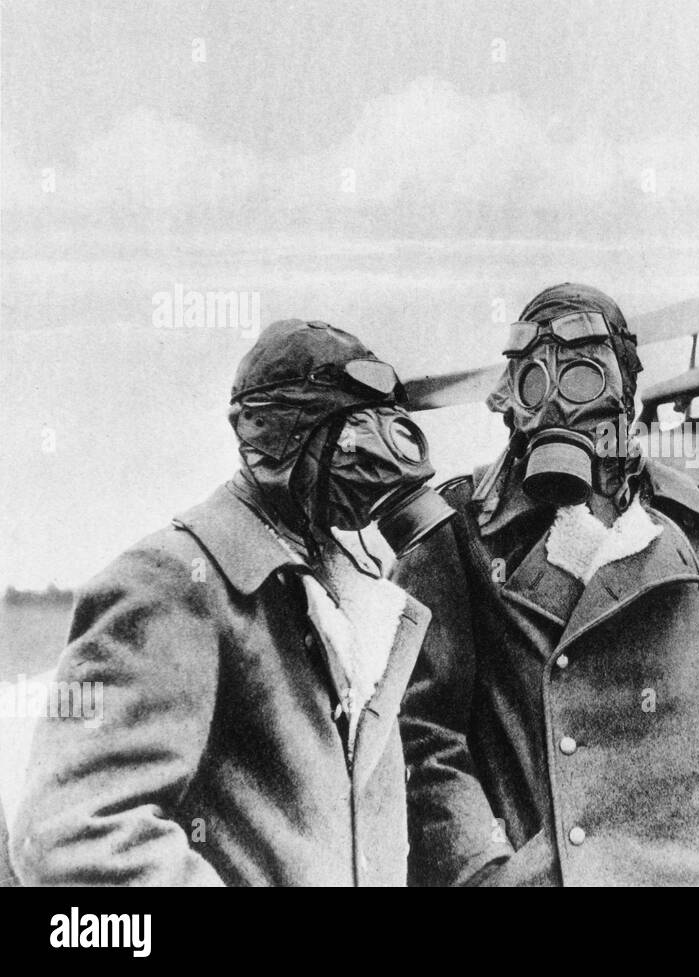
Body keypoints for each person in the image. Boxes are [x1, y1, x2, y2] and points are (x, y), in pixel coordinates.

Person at [397, 283, 699, 886]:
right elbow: (423, 739)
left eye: (583, 377)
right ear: (513, 402)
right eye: (535, 382)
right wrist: (489, 873)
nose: (561, 408)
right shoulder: (461, 539)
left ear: (628, 390)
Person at [10, 319, 454, 886]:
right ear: (280, 438)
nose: (375, 461)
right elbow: (75, 833)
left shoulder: (349, 594)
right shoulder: (170, 583)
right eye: (349, 433)